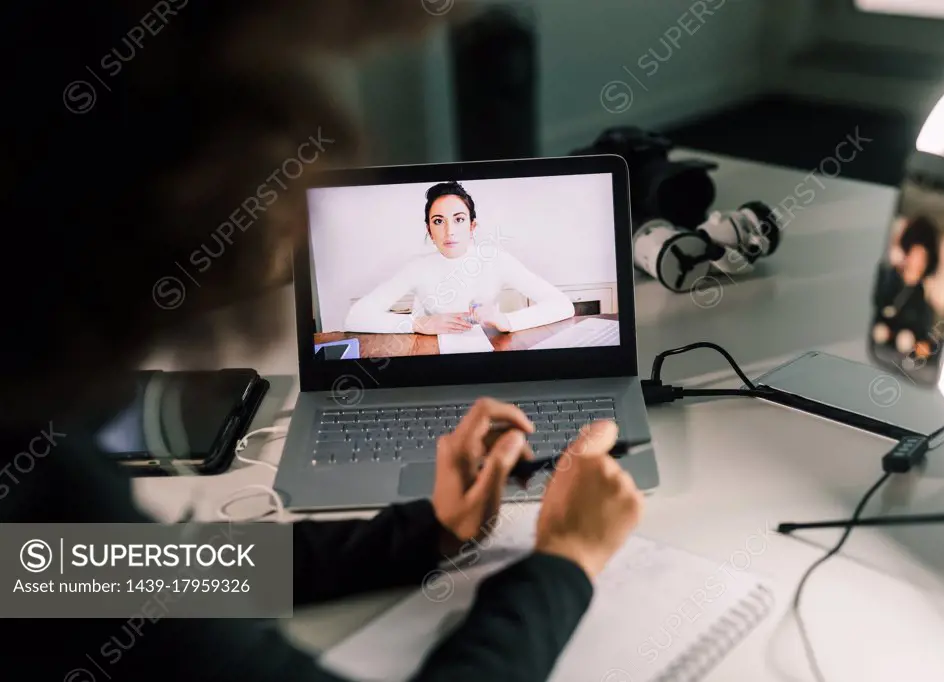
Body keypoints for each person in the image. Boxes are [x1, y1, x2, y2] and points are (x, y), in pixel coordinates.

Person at [2, 3, 644, 681]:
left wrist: (423, 534)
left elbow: (112, 574)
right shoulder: (44, 491)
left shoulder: (41, 491)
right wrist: (564, 564)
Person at [343, 181, 576, 335]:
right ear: (429, 230)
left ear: (472, 225)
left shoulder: (496, 260)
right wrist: (417, 324)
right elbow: (355, 317)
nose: (449, 231)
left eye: (459, 219)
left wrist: (505, 321)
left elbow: (562, 305)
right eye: (438, 221)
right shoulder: (417, 268)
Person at [872, 215, 941, 358]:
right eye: (914, 256)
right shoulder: (890, 278)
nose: (916, 263)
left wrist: (922, 345)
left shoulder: (922, 295)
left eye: (922, 259)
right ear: (906, 255)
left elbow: (926, 336)